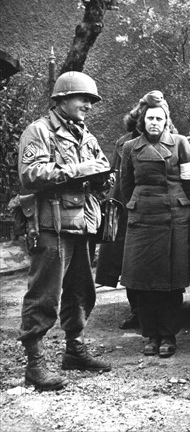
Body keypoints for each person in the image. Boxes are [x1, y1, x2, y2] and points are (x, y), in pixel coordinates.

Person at [17, 71, 112, 391]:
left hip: (82, 223)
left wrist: (101, 178)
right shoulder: (39, 131)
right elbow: (30, 175)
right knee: (44, 294)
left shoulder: (86, 135)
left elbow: (101, 174)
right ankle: (35, 363)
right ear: (61, 99)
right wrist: (80, 170)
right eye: (82, 98)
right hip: (50, 225)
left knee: (81, 291)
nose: (88, 104)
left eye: (91, 100)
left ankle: (74, 350)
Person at [120, 93, 190, 358]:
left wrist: (179, 205)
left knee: (171, 281)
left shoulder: (181, 143)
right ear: (143, 120)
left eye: (159, 118)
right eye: (150, 118)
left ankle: (169, 334)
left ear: (167, 121)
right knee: (143, 281)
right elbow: (125, 186)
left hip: (173, 218)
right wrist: (136, 206)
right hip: (142, 218)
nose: (155, 122)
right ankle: (150, 335)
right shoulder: (130, 148)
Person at [95, 92, 163, 330]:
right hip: (124, 207)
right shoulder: (124, 143)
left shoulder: (169, 141)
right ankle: (136, 310)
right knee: (127, 261)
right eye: (145, 115)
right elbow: (115, 175)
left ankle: (160, 312)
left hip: (155, 208)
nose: (150, 121)